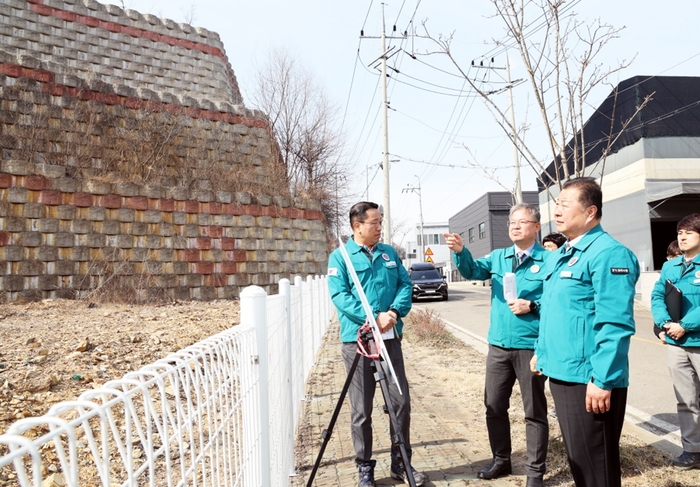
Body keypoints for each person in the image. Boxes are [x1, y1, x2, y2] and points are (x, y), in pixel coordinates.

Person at [531, 177, 639, 487]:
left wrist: (603, 379)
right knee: (581, 464)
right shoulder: (564, 253)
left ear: (590, 212)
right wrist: (541, 351)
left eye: (566, 204)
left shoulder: (608, 254)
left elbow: (615, 323)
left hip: (590, 379)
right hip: (564, 373)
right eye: (557, 204)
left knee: (596, 471)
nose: (558, 210)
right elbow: (552, 310)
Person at [444, 203, 549, 487]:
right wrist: (459, 251)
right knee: (493, 405)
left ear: (536, 227)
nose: (514, 226)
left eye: (522, 221)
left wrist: (533, 305)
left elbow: (557, 302)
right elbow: (473, 271)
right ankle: (501, 460)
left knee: (534, 411)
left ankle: (535, 472)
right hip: (499, 346)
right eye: (511, 222)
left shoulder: (549, 260)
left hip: (530, 346)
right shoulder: (500, 257)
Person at [327, 201, 427, 487]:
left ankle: (402, 462)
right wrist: (372, 317)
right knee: (361, 410)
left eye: (381, 221)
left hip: (389, 340)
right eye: (375, 222)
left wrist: (393, 313)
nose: (380, 226)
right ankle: (364, 468)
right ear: (357, 226)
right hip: (358, 342)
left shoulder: (389, 254)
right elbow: (340, 296)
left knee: (400, 402)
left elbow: (405, 285)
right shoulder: (340, 257)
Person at [651, 213, 700, 470]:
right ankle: (692, 450)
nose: (682, 237)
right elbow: (658, 295)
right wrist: (664, 324)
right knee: (686, 399)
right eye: (680, 232)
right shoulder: (671, 266)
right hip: (677, 344)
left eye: (688, 232)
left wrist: (686, 325)